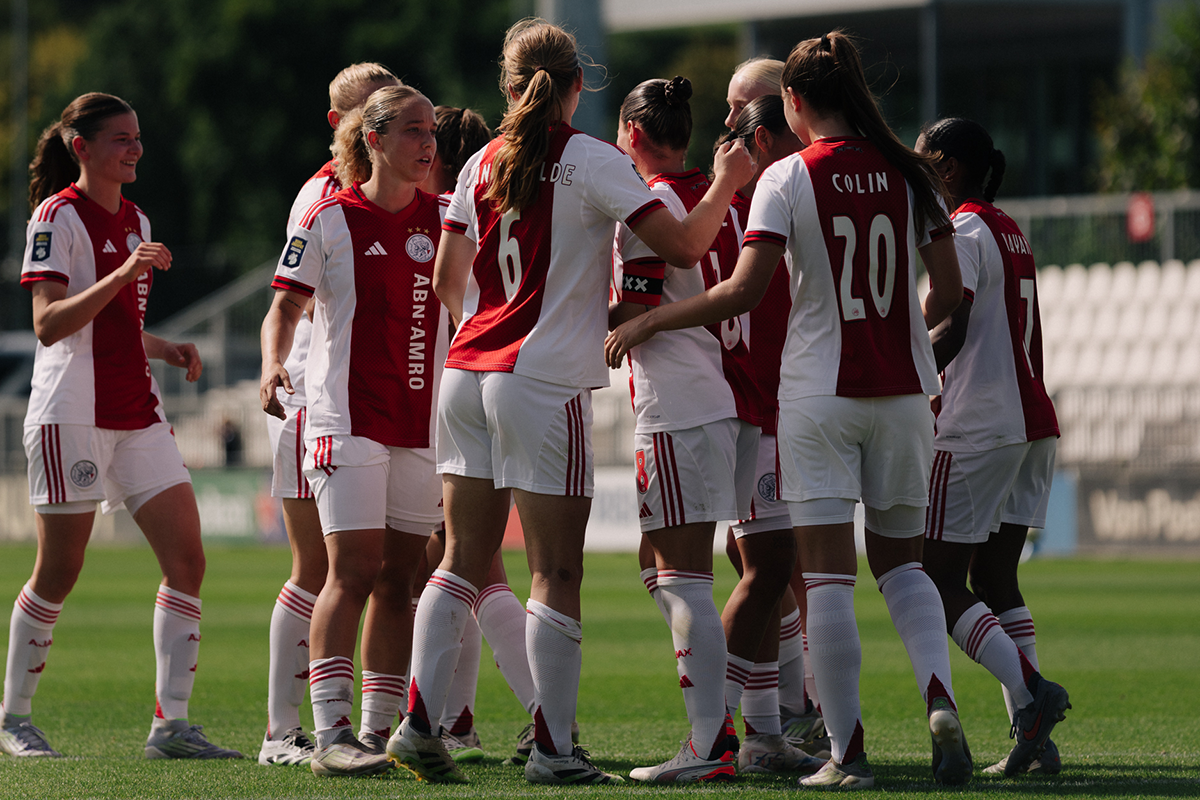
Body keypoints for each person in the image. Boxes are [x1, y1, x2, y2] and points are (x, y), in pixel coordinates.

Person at [385, 17, 754, 786]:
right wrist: (724, 182)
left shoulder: (480, 159)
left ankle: (419, 722)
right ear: (578, 86)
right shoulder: (591, 159)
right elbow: (685, 247)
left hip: (466, 372)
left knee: (458, 558)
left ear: (509, 87)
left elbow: (445, 283)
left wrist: (485, 327)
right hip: (542, 382)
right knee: (555, 570)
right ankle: (553, 748)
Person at [605, 31, 972, 789]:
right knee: (904, 569)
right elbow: (951, 297)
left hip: (817, 396)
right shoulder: (912, 175)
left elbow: (741, 291)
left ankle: (849, 752)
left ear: (796, 103)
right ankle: (940, 702)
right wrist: (907, 342)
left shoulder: (789, 178)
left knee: (829, 580)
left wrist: (648, 320)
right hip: (905, 394)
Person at [1, 92, 240, 760]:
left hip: (136, 412)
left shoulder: (137, 220)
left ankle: (172, 725)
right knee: (60, 569)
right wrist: (122, 272)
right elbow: (49, 323)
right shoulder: (57, 217)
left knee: (187, 560)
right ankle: (12, 718)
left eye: (137, 138)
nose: (134, 149)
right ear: (82, 147)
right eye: (119, 139)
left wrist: (165, 348)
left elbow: (117, 327)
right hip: (70, 413)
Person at [259, 84, 446, 778]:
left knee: (404, 577)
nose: (427, 144)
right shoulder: (329, 218)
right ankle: (329, 731)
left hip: (422, 424)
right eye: (411, 131)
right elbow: (283, 307)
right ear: (372, 140)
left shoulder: (454, 218)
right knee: (352, 572)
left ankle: (375, 732)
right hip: (346, 421)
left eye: (431, 131)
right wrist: (274, 362)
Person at [917, 117, 1070, 777]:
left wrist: (909, 369)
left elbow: (953, 322)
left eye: (922, 159)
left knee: (935, 578)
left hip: (980, 421)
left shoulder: (969, 229)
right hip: (1033, 419)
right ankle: (1032, 738)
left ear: (947, 167)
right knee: (995, 578)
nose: (915, 169)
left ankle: (1033, 699)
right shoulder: (1007, 226)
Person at [413, 105, 547, 765]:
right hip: (495, 380)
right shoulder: (496, 200)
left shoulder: (437, 215)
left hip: (442, 396)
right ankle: (458, 721)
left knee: (464, 564)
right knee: (469, 563)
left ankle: (537, 716)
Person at [708, 95, 831, 776]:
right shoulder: (737, 203)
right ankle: (714, 732)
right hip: (744, 413)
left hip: (770, 411)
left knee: (775, 569)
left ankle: (762, 729)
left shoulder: (776, 198)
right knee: (754, 571)